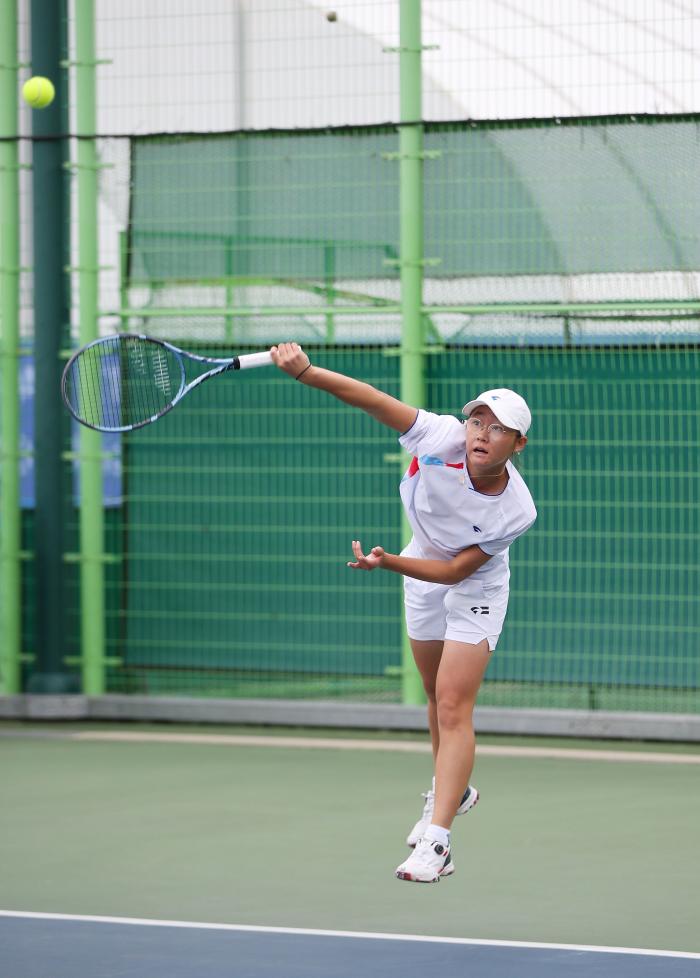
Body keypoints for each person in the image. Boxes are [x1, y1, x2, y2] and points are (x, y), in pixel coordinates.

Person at [270, 342, 537, 884]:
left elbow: (459, 572)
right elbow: (370, 398)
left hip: (474, 585)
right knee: (434, 697)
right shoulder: (439, 436)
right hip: (419, 562)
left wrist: (388, 562)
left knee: (454, 704)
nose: (481, 433)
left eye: (497, 427)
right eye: (477, 421)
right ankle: (453, 791)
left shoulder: (517, 509)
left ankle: (437, 843)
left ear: (517, 443)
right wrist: (307, 373)